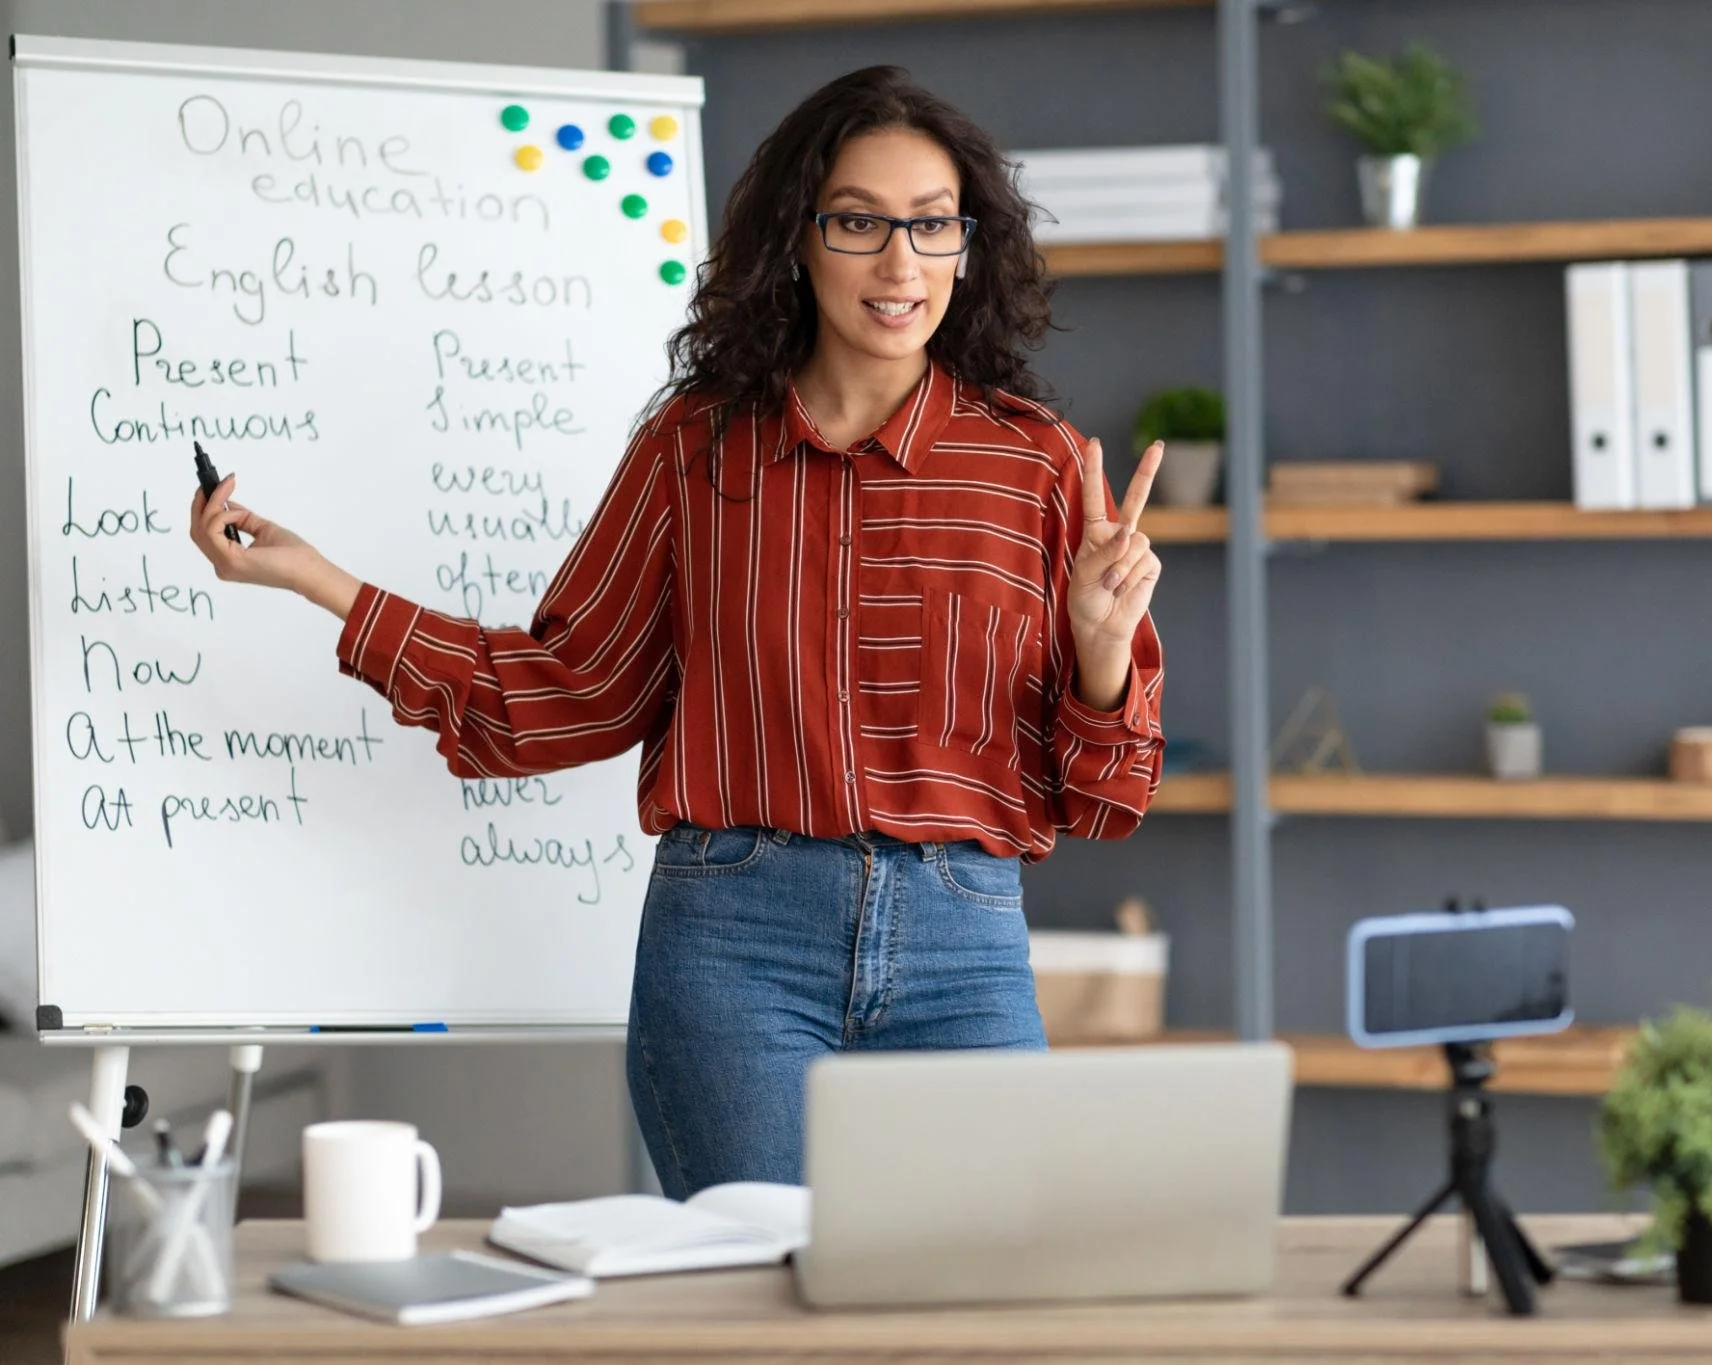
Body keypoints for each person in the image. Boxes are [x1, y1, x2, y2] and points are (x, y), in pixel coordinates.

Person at [187, 65, 1167, 1199]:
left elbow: (1105, 799)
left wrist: (1101, 647)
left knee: (981, 1290)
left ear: (966, 244)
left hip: (965, 948)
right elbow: (566, 692)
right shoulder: (693, 451)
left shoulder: (1036, 464)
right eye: (858, 222)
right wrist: (327, 584)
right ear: (796, 239)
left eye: (931, 224)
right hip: (736, 946)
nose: (900, 263)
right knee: (753, 1301)